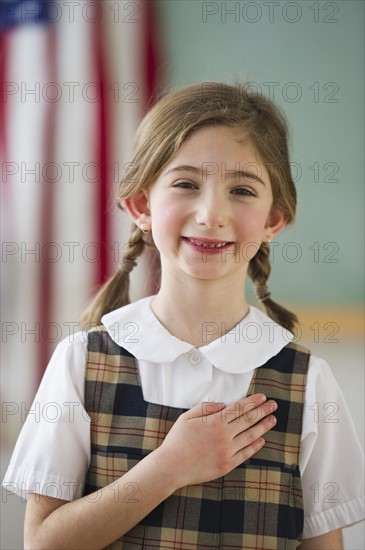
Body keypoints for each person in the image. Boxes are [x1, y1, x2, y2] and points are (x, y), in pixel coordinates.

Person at [3, 82, 364, 549]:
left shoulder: (308, 380)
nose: (212, 213)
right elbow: (43, 543)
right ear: (140, 205)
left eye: (242, 190)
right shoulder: (81, 361)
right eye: (186, 184)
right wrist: (169, 468)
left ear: (274, 219)